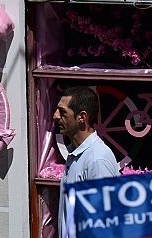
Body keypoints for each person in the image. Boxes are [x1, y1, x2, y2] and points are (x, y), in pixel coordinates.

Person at [54, 86, 119, 238]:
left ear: (82, 117)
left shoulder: (97, 159)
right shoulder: (76, 155)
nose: (55, 116)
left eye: (62, 112)